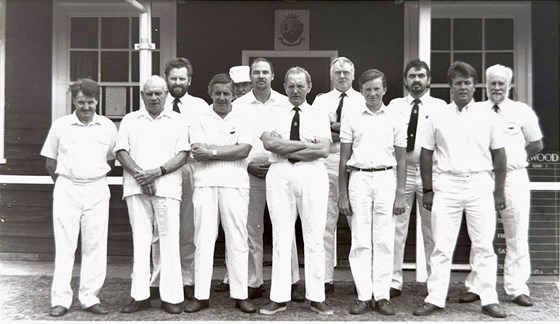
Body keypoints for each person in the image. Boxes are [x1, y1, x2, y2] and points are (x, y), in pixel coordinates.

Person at [412, 61, 508, 318]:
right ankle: (435, 298)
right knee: (441, 245)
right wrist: (429, 190)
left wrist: (499, 192)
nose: (463, 87)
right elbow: (425, 154)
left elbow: (500, 156)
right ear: (450, 87)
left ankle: (489, 299)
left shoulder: (488, 116)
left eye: (467, 83)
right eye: (458, 83)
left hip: (479, 184)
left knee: (484, 245)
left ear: (474, 86)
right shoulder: (437, 115)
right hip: (447, 185)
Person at [214, 58, 302, 302]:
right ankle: (253, 281)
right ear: (250, 77)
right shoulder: (239, 105)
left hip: (280, 169)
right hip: (248, 170)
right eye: (256, 72)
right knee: (251, 227)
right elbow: (232, 140)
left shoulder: (285, 103)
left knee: (285, 227)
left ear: (273, 75)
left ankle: (290, 280)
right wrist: (248, 164)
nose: (260, 76)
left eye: (265, 72)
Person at [459, 64, 543, 307]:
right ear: (485, 85)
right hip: (484, 177)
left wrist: (514, 158)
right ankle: (476, 285)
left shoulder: (521, 111)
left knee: (515, 232)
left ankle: (516, 287)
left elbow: (536, 143)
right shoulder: (475, 110)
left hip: (514, 178)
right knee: (481, 234)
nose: (496, 88)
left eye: (501, 83)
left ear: (509, 85)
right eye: (492, 83)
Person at [259, 67, 333, 316]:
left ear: (309, 87)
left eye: (300, 86)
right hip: (280, 174)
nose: (295, 91)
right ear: (284, 87)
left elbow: (323, 150)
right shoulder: (274, 113)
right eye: (291, 86)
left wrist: (286, 146)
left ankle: (317, 296)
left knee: (314, 237)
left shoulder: (319, 114)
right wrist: (305, 144)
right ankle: (278, 298)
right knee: (281, 237)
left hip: (312, 174)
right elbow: (269, 143)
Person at [41, 78, 117, 317]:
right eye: (82, 102)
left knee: (95, 244)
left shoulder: (107, 126)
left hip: (96, 188)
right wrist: (67, 183)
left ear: (97, 101)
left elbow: (111, 159)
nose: (86, 107)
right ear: (74, 100)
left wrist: (89, 178)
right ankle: (60, 300)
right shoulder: (60, 126)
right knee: (65, 245)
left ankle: (90, 297)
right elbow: (50, 163)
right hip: (67, 188)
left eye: (91, 102)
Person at [116, 76, 189, 314]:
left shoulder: (178, 121)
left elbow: (183, 155)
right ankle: (140, 296)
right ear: (142, 95)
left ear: (167, 94)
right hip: (136, 188)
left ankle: (172, 297)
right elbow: (121, 152)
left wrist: (156, 173)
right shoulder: (130, 120)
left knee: (168, 240)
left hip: (167, 188)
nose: (154, 97)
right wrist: (141, 176)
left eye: (159, 93)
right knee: (141, 240)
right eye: (150, 93)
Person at [184, 73, 255, 314]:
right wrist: (227, 150)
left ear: (234, 94)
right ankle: (201, 295)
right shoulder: (198, 118)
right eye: (218, 93)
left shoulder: (244, 117)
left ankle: (241, 294)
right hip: (205, 184)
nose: (222, 97)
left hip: (235, 184)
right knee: (203, 238)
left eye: (227, 93)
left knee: (237, 238)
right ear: (210, 93)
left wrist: (212, 152)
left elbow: (244, 150)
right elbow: (196, 151)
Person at [338, 69, 407, 316]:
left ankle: (382, 295)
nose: (372, 93)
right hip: (359, 179)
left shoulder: (396, 117)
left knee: (384, 239)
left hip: (387, 178)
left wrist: (400, 193)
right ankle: (363, 295)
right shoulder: (351, 116)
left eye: (377, 88)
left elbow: (401, 158)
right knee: (360, 239)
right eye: (367, 89)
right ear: (361, 91)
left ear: (385, 89)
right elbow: (343, 159)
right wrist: (343, 194)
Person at [150, 58, 209, 302]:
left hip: (189, 170)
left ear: (189, 80)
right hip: (162, 171)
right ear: (166, 79)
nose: (177, 82)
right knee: (159, 228)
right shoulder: (156, 105)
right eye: (173, 78)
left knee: (187, 228)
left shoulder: (200, 106)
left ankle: (186, 280)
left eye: (181, 78)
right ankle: (158, 279)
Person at [387, 59, 447, 297]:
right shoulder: (394, 106)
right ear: (405, 80)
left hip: (429, 173)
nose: (417, 80)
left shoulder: (440, 107)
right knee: (396, 229)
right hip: (401, 172)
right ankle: (393, 282)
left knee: (433, 230)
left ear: (428, 80)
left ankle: (435, 285)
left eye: (421, 76)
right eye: (412, 76)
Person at [311, 57, 365, 294]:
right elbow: (315, 132)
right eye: (337, 73)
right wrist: (343, 130)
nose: (342, 76)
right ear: (331, 76)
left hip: (354, 164)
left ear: (353, 75)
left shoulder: (363, 100)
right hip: (325, 163)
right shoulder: (321, 101)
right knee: (324, 223)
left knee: (358, 224)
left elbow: (361, 134)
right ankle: (324, 279)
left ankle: (361, 280)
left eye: (346, 72)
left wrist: (335, 127)